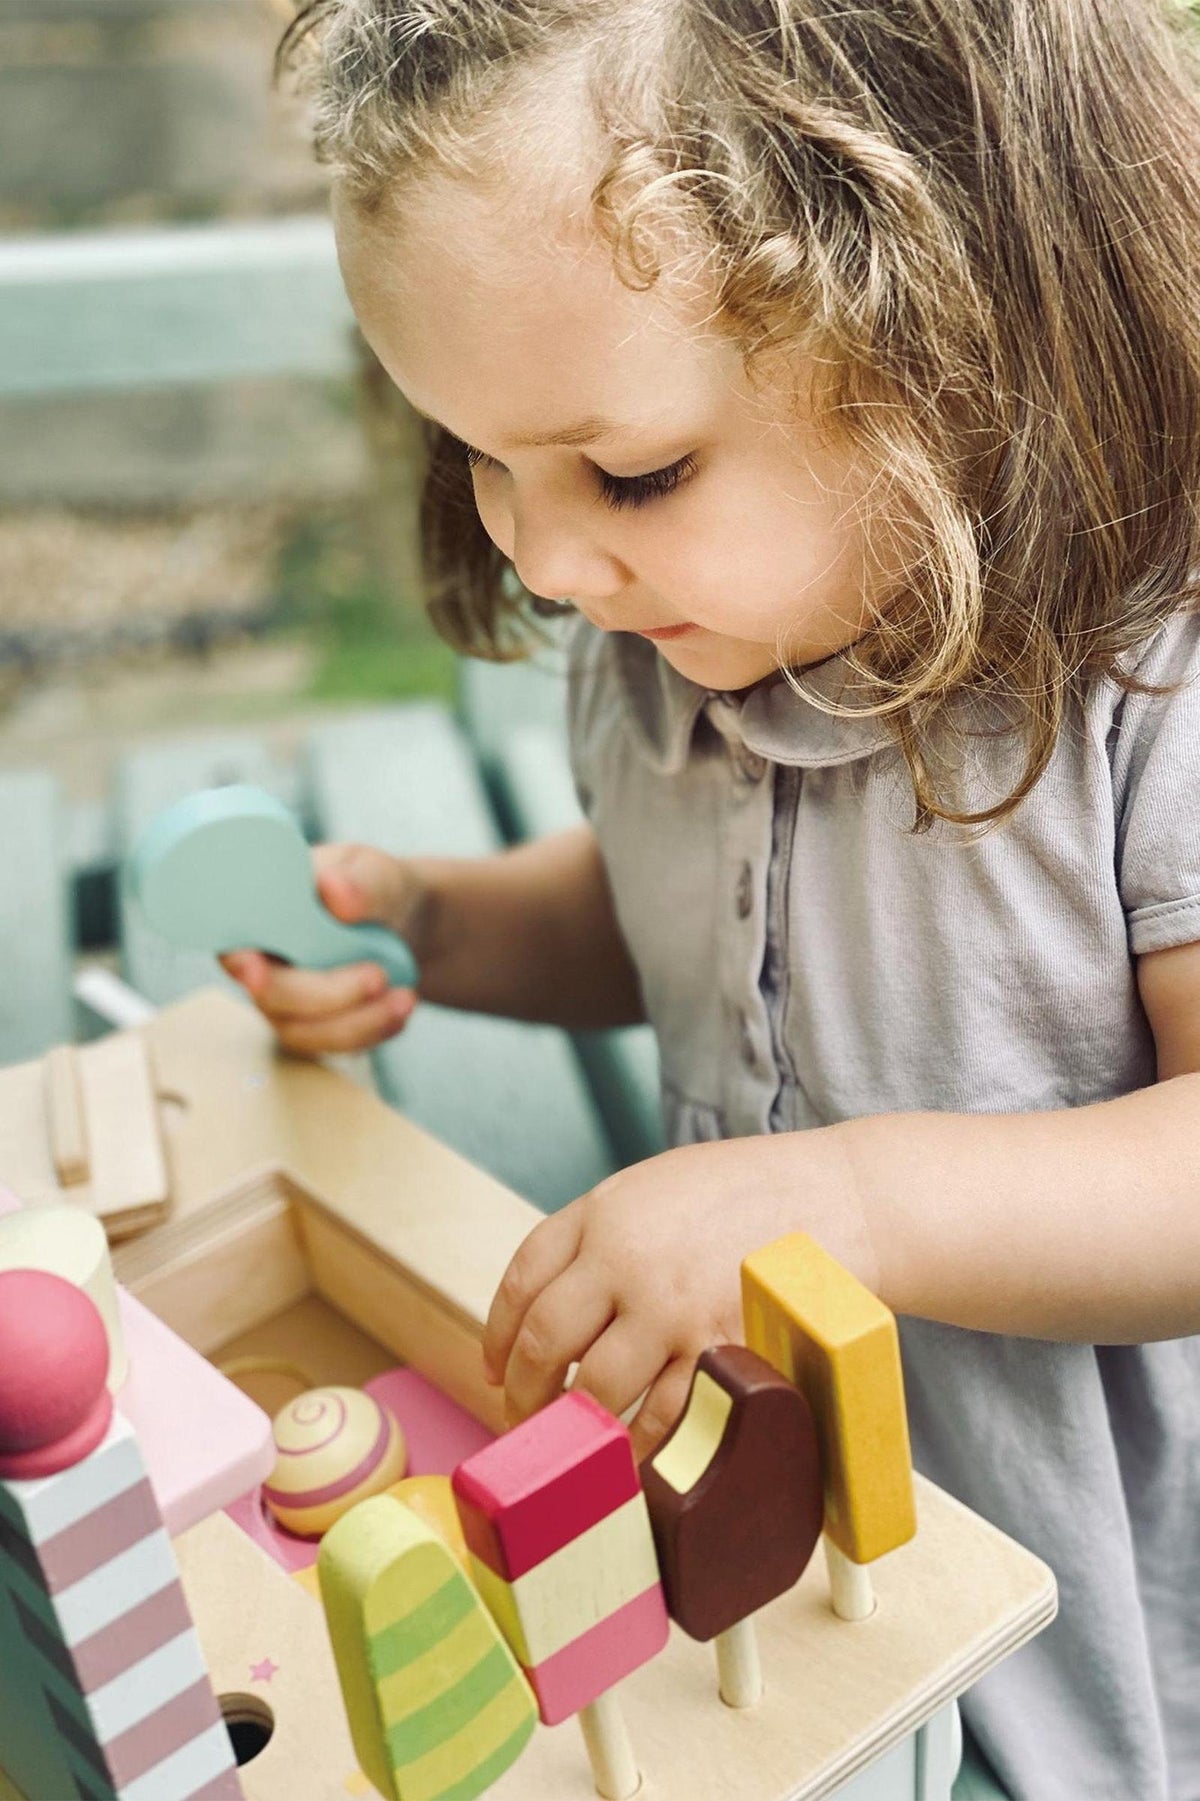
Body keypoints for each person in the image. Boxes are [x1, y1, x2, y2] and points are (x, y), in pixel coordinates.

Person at [227, 4, 1200, 1795]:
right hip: (746, 1582)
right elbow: (678, 926)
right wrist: (435, 928)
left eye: (632, 469)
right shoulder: (681, 617)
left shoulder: (1148, 675)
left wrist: (832, 1202)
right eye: (476, 458)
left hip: (1059, 1632)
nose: (540, 551)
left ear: (954, 325)